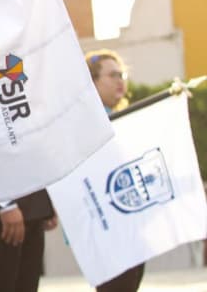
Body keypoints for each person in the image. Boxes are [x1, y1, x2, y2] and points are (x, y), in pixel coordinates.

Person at [85, 49, 145, 292]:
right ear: (92, 81)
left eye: (123, 75)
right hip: (105, 224)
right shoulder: (86, 122)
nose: (121, 80)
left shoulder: (122, 118)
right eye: (113, 75)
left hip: (130, 221)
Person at [0, 191, 56, 292]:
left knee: (27, 286)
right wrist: (5, 204)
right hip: (0, 214)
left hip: (34, 205)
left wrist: (48, 202)